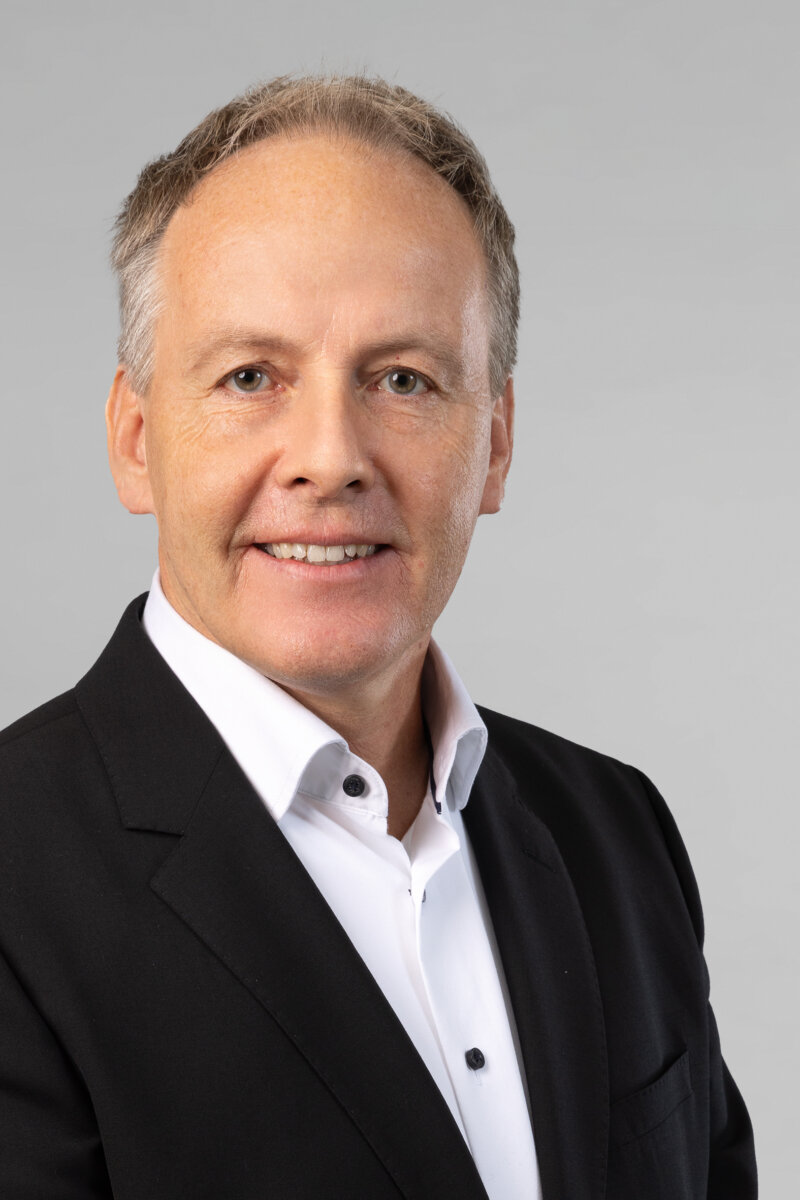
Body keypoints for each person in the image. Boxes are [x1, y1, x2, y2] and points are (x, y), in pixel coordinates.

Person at [0, 74, 756, 1199]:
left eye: (403, 379)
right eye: (250, 377)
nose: (330, 458)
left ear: (494, 443)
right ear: (135, 439)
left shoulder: (616, 831)